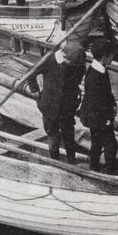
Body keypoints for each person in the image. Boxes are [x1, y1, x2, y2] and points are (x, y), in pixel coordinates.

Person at [25, 36, 86, 164]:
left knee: (69, 136)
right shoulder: (50, 59)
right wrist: (35, 91)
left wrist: (75, 97)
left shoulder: (78, 64)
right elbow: (31, 74)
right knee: (53, 136)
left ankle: (71, 162)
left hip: (67, 106)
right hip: (49, 105)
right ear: (64, 56)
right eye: (72, 63)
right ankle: (55, 162)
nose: (74, 66)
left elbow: (77, 80)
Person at [79, 40, 118, 174]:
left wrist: (113, 104)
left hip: (95, 115)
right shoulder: (95, 76)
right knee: (111, 145)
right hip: (97, 117)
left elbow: (107, 93)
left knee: (96, 143)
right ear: (105, 56)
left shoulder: (98, 69)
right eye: (112, 55)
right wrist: (107, 119)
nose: (113, 58)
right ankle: (109, 173)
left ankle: (94, 168)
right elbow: (97, 102)